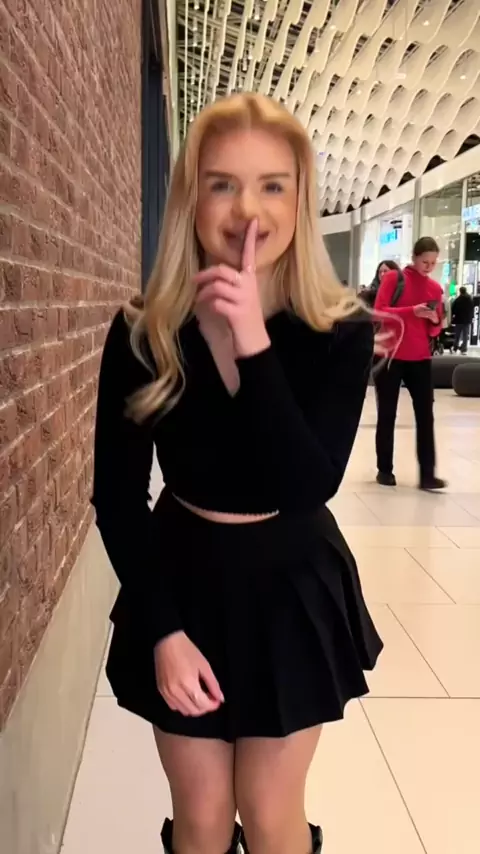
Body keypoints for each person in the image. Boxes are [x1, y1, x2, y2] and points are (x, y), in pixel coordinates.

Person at [92, 93, 384, 854]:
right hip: (181, 581)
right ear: (192, 199)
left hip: (292, 585)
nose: (247, 209)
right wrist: (163, 631)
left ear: (300, 199)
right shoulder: (144, 330)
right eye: (222, 184)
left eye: (272, 185)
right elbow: (117, 498)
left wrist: (253, 340)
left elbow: (308, 485)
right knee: (202, 814)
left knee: (270, 808)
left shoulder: (341, 329)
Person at [373, 236, 447, 491]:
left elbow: (434, 330)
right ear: (414, 258)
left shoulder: (435, 288)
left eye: (433, 263)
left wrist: (435, 320)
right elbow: (379, 311)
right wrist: (411, 311)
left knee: (425, 416)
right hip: (390, 356)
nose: (429, 267)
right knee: (387, 413)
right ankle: (384, 469)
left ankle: (428, 474)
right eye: (425, 261)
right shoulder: (394, 279)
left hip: (420, 358)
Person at [452, 286, 474, 353]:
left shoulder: (457, 300)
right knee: (465, 335)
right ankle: (464, 349)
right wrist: (471, 317)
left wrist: (454, 316)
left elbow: (453, 310)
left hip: (458, 320)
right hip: (466, 320)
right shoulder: (470, 299)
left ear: (460, 291)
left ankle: (455, 348)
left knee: (457, 335)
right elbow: (472, 309)